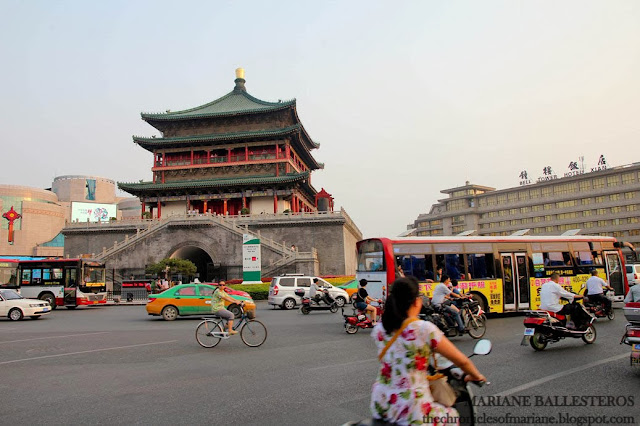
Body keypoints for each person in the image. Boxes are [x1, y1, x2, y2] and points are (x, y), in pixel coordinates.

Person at [371, 277, 486, 425]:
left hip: (381, 402)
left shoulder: (380, 330)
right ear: (416, 301)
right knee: (452, 416)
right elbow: (462, 360)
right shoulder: (423, 329)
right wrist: (476, 376)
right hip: (411, 406)